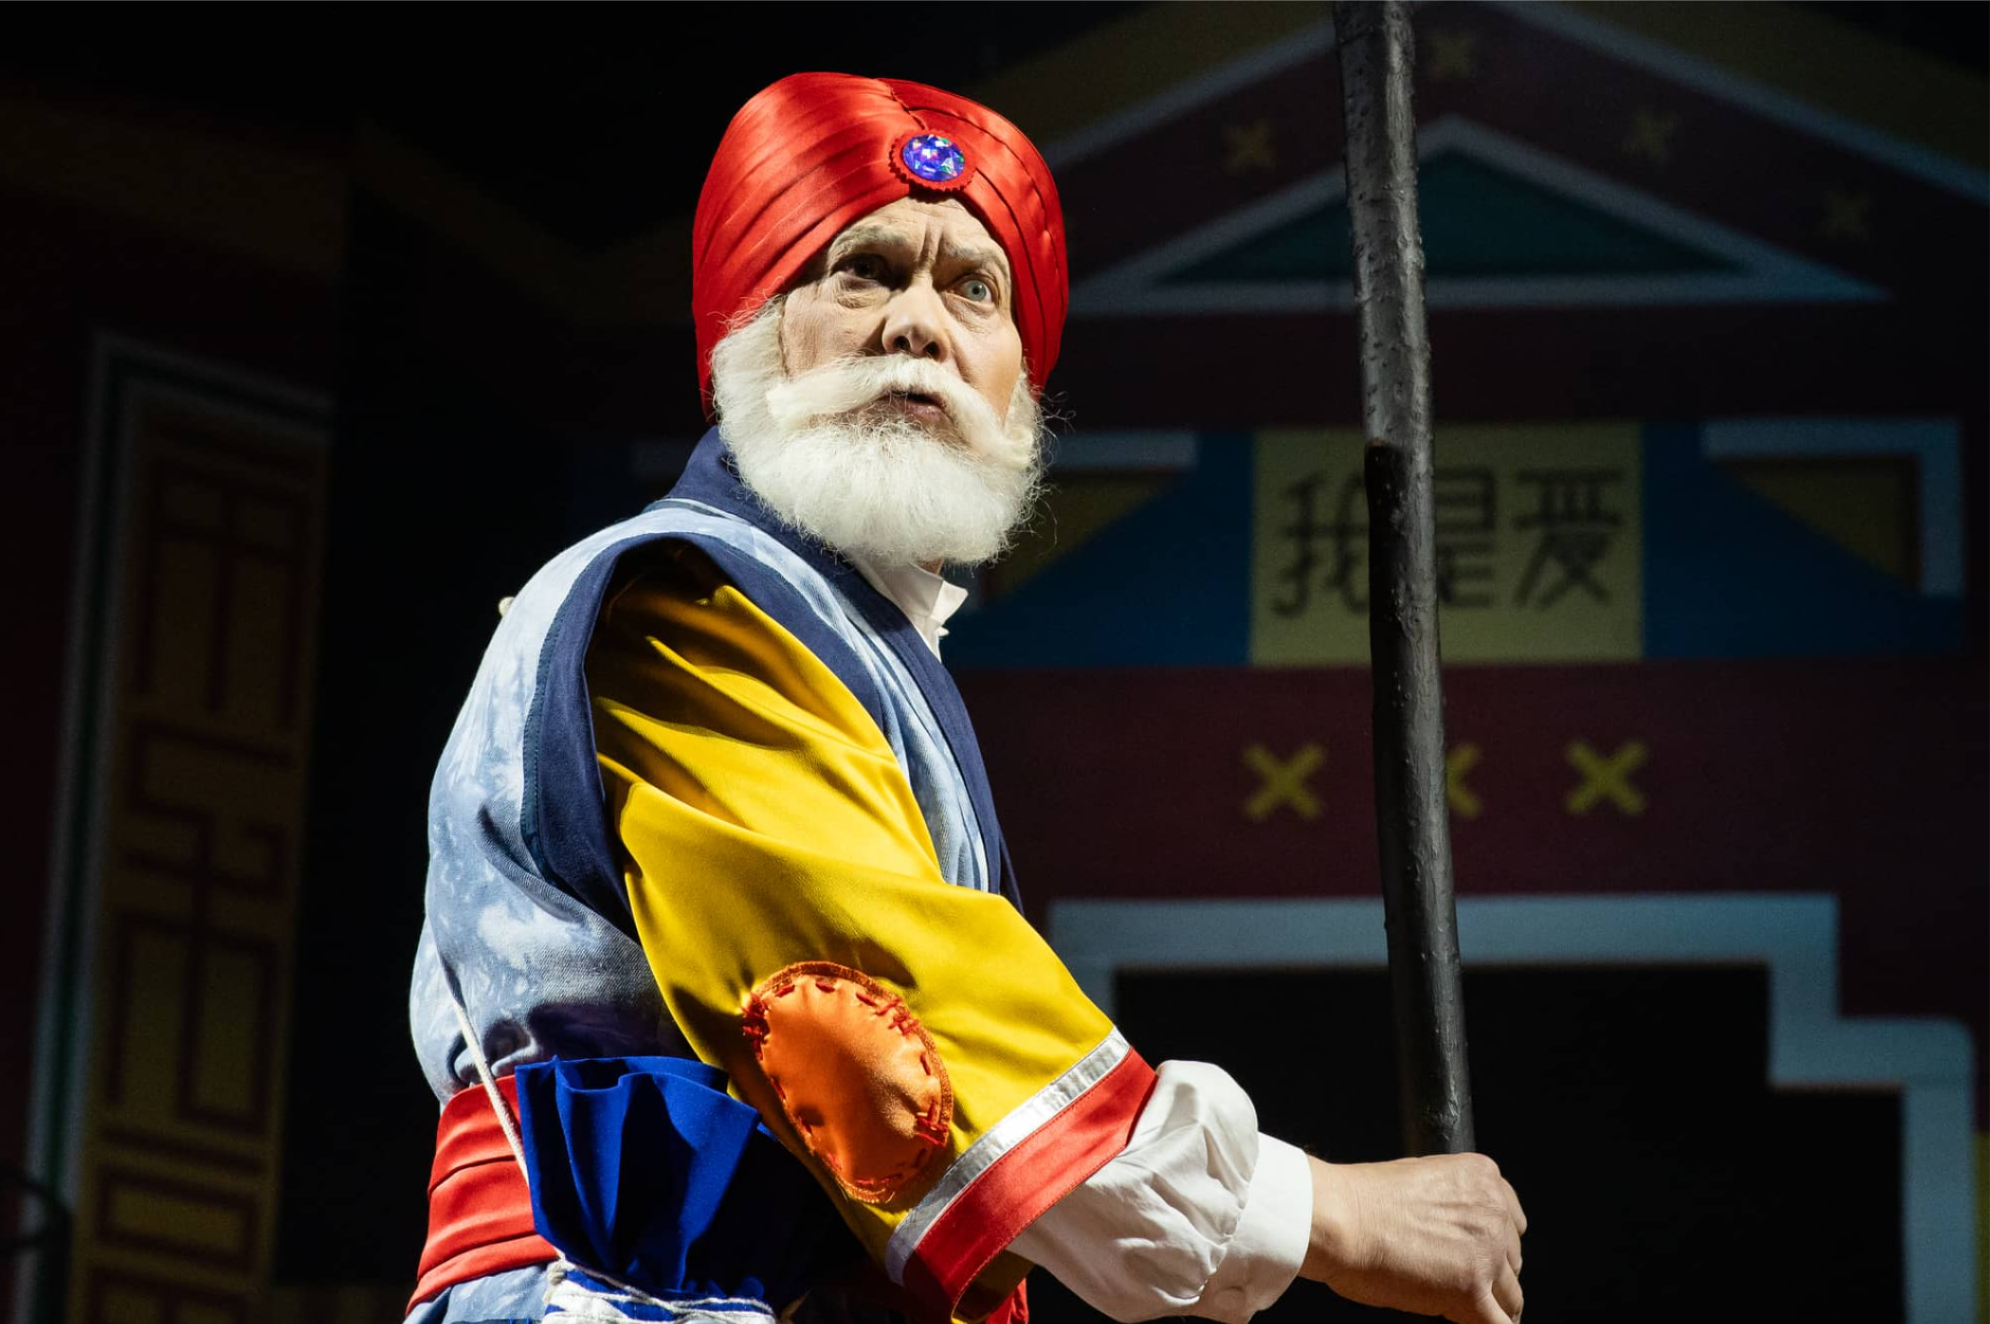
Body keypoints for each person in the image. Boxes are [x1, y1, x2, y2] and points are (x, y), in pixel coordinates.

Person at [407, 72, 1526, 1324]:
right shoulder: (685, 600)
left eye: (972, 290)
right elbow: (869, 1019)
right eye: (864, 272)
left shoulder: (857, 644)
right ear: (751, 336)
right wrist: (1320, 1213)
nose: (918, 326)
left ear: (1019, 389)